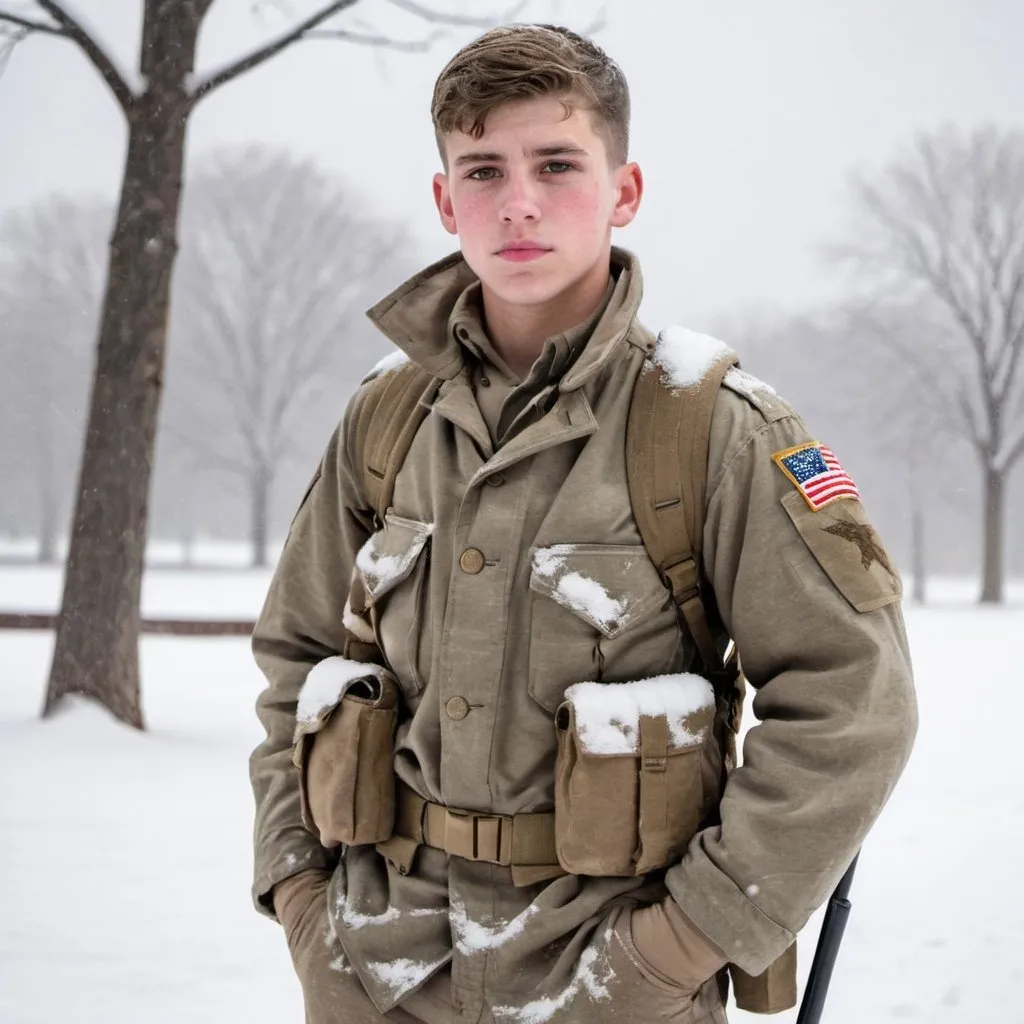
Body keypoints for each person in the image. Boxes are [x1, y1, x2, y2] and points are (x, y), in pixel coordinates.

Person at [249, 23, 917, 1024]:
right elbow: (295, 661)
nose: (516, 201)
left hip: (607, 985)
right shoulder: (385, 421)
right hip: (378, 973)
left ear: (624, 189)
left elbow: (853, 704)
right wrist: (305, 905)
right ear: (444, 199)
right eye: (482, 170)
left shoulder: (716, 430)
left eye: (556, 163)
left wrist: (674, 947)